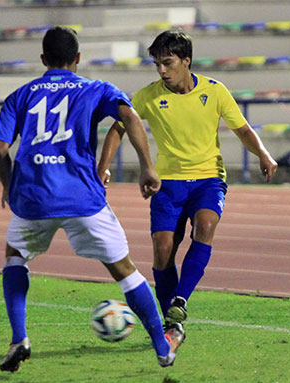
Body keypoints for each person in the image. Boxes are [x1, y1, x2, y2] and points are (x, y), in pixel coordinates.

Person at [0, 26, 184, 373]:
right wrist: (147, 167)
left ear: (43, 59)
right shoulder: (94, 89)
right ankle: (161, 345)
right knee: (124, 270)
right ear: (77, 59)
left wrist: (8, 185)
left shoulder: (21, 94)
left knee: (15, 258)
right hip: (82, 197)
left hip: (32, 196)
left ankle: (19, 337)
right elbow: (129, 116)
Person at [98, 30, 278, 339]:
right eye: (157, 64)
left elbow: (243, 129)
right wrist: (103, 167)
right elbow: (117, 127)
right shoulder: (148, 95)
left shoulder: (215, 91)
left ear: (186, 61)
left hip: (209, 178)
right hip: (168, 183)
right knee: (163, 249)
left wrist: (262, 152)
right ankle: (172, 322)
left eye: (167, 63)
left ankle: (179, 301)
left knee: (205, 226)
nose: (162, 71)